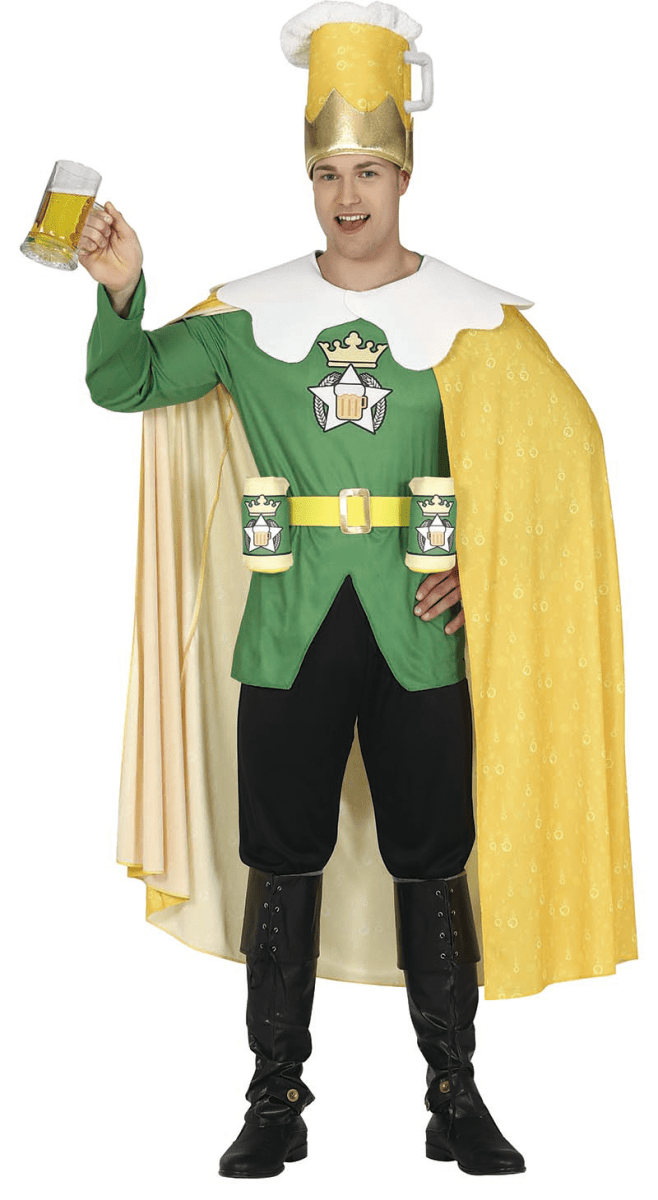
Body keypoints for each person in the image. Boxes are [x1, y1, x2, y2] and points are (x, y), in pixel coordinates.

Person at [80, 0, 637, 1182]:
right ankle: (274, 1099)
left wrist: (491, 568)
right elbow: (128, 385)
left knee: (432, 860)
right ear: (309, 177)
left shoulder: (474, 323)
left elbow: (565, 459)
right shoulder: (245, 316)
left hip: (418, 633)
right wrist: (121, 290)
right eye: (329, 172)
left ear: (404, 174)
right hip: (287, 631)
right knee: (282, 860)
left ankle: (453, 1096)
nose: (347, 196)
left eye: (369, 171)